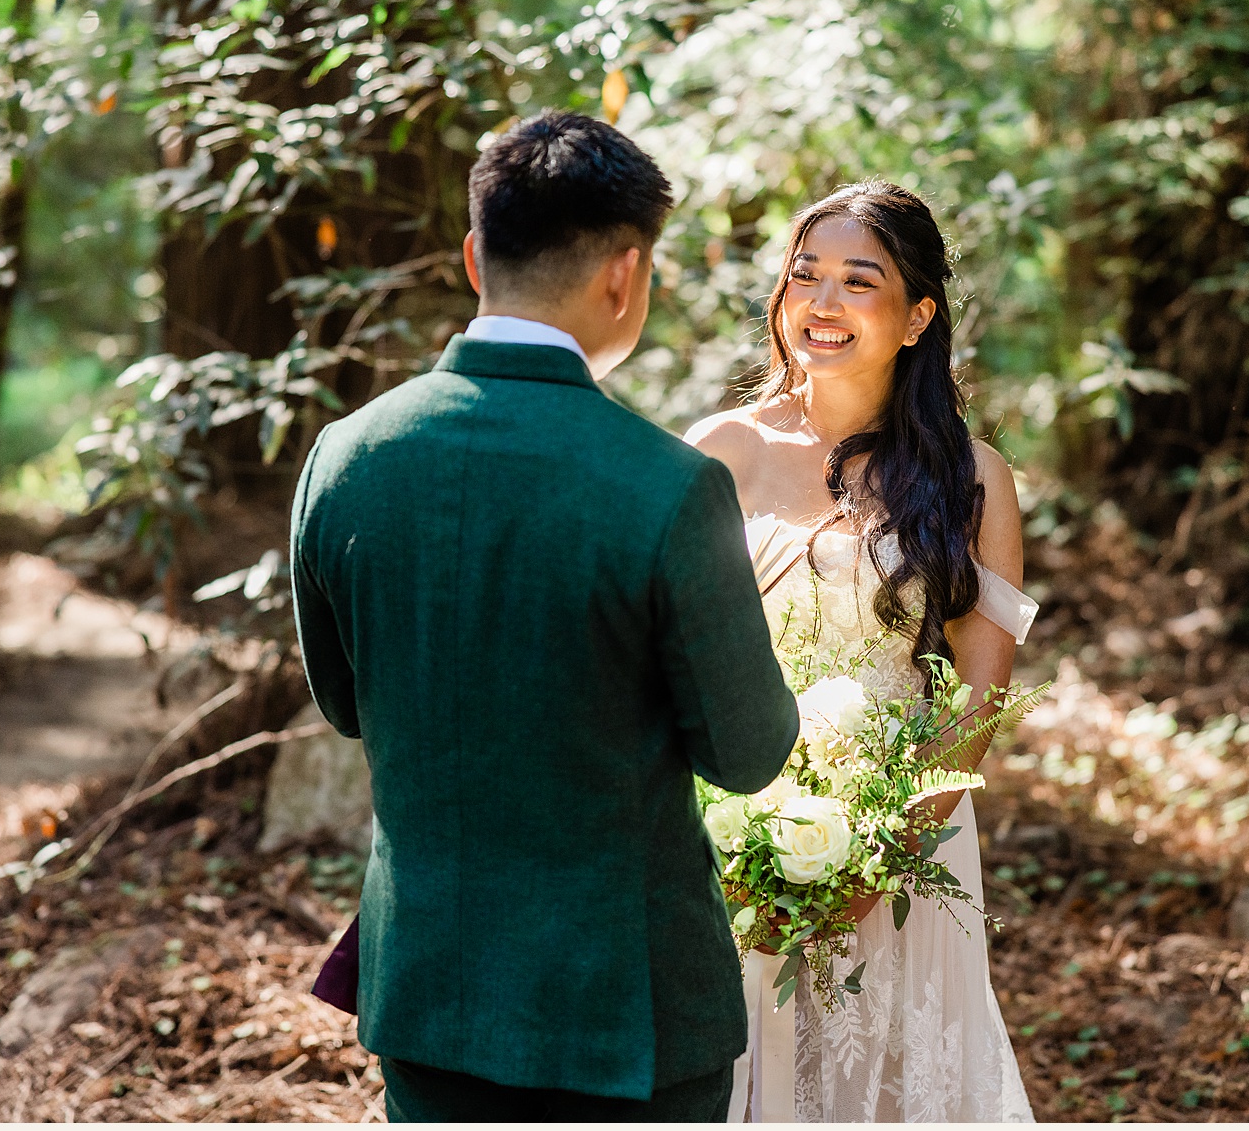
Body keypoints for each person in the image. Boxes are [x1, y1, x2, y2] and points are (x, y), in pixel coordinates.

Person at [290, 110, 801, 1120]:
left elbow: (346, 705)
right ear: (626, 273)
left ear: (475, 256)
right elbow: (747, 752)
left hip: (430, 987)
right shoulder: (668, 486)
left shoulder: (344, 456)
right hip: (625, 1013)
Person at [687, 180, 1037, 1122]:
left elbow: (978, 702)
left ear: (918, 315)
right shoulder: (715, 452)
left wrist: (879, 859)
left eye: (857, 281)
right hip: (727, 836)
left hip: (901, 839)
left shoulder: (971, 477)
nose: (822, 303)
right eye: (804, 276)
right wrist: (712, 828)